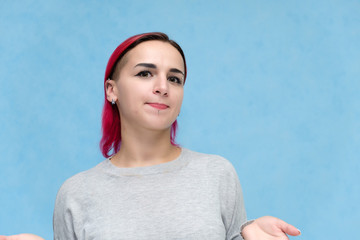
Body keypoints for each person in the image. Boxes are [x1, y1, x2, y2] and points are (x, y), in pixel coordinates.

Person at [2, 32, 301, 240]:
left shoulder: (217, 174)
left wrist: (253, 235)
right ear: (112, 90)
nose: (163, 87)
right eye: (145, 73)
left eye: (175, 78)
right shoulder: (76, 193)